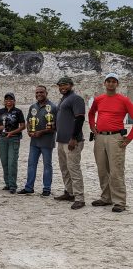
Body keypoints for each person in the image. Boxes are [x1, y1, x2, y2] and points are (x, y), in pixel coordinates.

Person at [88, 73, 133, 213]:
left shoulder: (124, 100)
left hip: (116, 138)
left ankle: (119, 201)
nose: (111, 83)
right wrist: (92, 126)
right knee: (102, 169)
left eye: (114, 81)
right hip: (100, 137)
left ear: (117, 84)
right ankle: (106, 197)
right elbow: (91, 113)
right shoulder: (99, 99)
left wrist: (129, 138)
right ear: (104, 83)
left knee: (116, 170)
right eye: (108, 81)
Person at [18, 86, 57, 196]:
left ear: (46, 93)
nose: (39, 94)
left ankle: (46, 188)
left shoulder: (53, 107)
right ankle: (29, 187)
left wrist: (42, 132)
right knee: (31, 164)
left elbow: (55, 126)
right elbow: (29, 122)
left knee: (47, 165)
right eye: (37, 92)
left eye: (41, 92)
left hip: (47, 141)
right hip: (34, 142)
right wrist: (29, 131)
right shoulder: (32, 107)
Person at [54, 77, 86, 210]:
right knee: (64, 168)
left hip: (71, 141)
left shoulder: (76, 98)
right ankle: (70, 192)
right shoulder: (63, 99)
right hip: (61, 140)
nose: (63, 87)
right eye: (60, 85)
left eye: (65, 84)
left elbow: (80, 118)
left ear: (71, 85)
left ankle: (79, 198)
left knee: (74, 169)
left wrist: (73, 138)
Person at [0, 93, 25, 194]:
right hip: (2, 139)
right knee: (4, 162)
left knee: (12, 162)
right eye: (6, 99)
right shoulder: (1, 111)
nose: (8, 101)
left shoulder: (18, 112)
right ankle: (7, 184)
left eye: (11, 99)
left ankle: (13, 185)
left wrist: (12, 132)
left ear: (14, 101)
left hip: (14, 139)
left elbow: (23, 126)